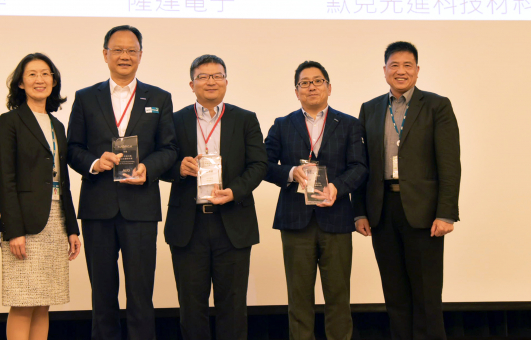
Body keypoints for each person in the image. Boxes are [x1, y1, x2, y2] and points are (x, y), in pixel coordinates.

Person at [66, 25, 178, 340]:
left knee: (141, 295)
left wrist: (147, 168)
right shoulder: (86, 98)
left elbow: (169, 149)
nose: (124, 56)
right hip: (98, 207)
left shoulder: (159, 98)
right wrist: (94, 162)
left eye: (131, 50)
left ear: (140, 55)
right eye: (118, 50)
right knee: (102, 295)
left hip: (140, 207)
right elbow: (72, 148)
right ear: (105, 54)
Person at [352, 41, 461, 340]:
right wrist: (359, 211)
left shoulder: (437, 105)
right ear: (385, 70)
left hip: (424, 212)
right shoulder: (370, 109)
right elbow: (361, 165)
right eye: (394, 65)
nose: (401, 71)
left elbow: (449, 164)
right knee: (395, 294)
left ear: (417, 70)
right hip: (382, 209)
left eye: (407, 65)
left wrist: (446, 213)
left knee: (426, 294)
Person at [163, 54, 268, 340]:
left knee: (232, 306)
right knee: (191, 307)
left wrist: (234, 191)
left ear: (226, 81)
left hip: (233, 221)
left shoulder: (245, 119)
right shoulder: (175, 120)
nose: (211, 81)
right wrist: (178, 168)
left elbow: (259, 164)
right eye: (203, 76)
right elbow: (161, 161)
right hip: (189, 224)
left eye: (217, 75)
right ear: (191, 84)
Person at [264, 61, 368, 340]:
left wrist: (337, 187)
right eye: (305, 83)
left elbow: (359, 167)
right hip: (295, 220)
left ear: (329, 87)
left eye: (318, 81)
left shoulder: (349, 124)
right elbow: (262, 164)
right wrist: (290, 172)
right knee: (298, 297)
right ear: (296, 91)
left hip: (336, 218)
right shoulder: (282, 125)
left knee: (338, 295)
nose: (311, 87)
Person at [0, 53, 81, 340]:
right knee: (23, 301)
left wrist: (72, 228)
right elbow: (5, 180)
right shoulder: (10, 121)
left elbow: (63, 181)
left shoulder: (57, 125)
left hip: (56, 220)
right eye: (32, 74)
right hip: (25, 223)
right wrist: (13, 230)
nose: (39, 79)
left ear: (54, 81)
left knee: (44, 301)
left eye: (45, 74)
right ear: (20, 83)